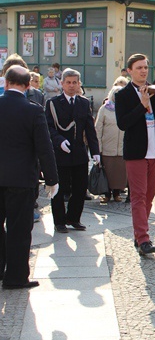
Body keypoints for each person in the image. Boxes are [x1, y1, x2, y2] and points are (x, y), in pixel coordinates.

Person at [0, 66, 58, 289]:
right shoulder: (33, 110)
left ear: (6, 83)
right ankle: (15, 277)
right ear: (27, 86)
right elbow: (45, 148)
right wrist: (52, 178)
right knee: (19, 230)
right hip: (21, 179)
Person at [115, 54, 155, 255]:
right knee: (138, 197)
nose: (143, 71)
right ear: (129, 71)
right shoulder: (123, 95)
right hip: (136, 153)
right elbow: (123, 123)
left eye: (145, 67)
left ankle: (139, 234)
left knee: (149, 197)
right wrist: (141, 105)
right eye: (139, 67)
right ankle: (143, 238)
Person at [45, 68, 100, 233]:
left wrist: (95, 151)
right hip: (60, 152)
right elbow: (48, 127)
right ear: (62, 84)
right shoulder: (53, 103)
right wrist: (59, 141)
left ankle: (74, 218)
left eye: (74, 82)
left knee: (80, 188)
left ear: (78, 84)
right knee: (59, 189)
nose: (71, 85)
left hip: (78, 152)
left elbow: (90, 129)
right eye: (68, 82)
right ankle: (59, 221)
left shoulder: (83, 103)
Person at [95, 86, 128, 203]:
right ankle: (107, 194)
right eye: (115, 94)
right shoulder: (104, 109)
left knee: (120, 173)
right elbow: (98, 128)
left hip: (122, 147)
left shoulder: (127, 108)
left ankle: (117, 193)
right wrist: (98, 146)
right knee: (107, 172)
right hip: (107, 146)